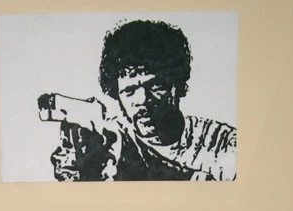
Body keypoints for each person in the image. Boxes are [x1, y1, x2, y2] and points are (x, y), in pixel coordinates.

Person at [39, 19, 237, 182]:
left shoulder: (222, 142)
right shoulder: (108, 142)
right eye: (130, 91)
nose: (142, 100)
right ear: (116, 94)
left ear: (177, 86)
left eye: (155, 87)